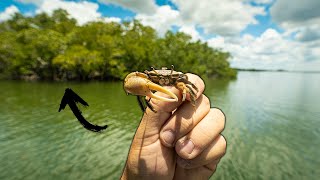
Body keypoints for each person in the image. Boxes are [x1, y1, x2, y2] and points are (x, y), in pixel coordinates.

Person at [121, 74, 227, 180]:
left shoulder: (179, 81)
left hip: (178, 96)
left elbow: (189, 84)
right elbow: (128, 82)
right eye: (158, 76)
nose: (163, 80)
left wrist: (191, 98)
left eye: (166, 77)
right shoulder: (148, 80)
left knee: (190, 86)